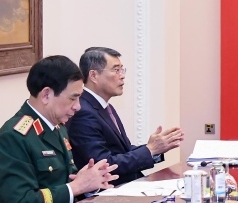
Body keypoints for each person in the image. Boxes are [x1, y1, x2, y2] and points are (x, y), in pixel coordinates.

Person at [0, 56, 118, 203]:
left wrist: (90, 182)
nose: (78, 107)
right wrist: (76, 187)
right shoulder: (13, 138)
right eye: (73, 98)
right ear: (46, 95)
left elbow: (65, 183)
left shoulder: (58, 128)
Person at [67, 47, 184, 185]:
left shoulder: (106, 107)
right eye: (116, 70)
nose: (122, 76)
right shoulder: (83, 112)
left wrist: (155, 149)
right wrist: (150, 150)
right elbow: (103, 165)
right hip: (107, 193)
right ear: (94, 75)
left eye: (122, 70)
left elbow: (123, 151)